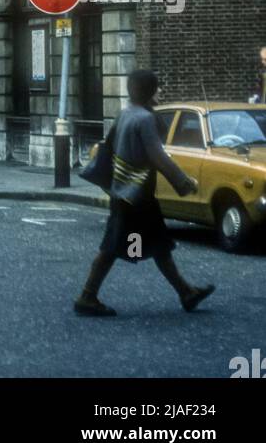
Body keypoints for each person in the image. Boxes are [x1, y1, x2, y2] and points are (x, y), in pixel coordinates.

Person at [75, 69, 215, 317]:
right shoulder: (144, 119)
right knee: (112, 248)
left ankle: (186, 292)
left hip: (125, 193)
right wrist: (184, 183)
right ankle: (87, 295)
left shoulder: (126, 113)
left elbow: (111, 148)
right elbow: (158, 157)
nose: (160, 91)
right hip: (136, 197)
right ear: (148, 91)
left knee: (159, 246)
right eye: (157, 87)